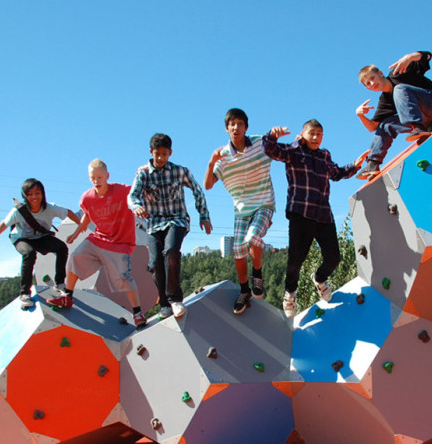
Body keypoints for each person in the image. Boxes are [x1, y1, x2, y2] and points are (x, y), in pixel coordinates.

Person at [262, 119, 367, 318]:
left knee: (334, 258)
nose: (316, 137)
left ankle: (319, 279)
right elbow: (271, 150)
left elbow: (336, 173)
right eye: (312, 133)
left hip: (323, 214)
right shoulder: (293, 151)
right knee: (296, 261)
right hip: (301, 212)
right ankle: (290, 294)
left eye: (319, 134)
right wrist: (272, 135)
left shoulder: (324, 155)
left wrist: (355, 165)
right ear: (303, 135)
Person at [48, 159, 147, 329]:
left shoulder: (121, 191)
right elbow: (87, 214)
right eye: (93, 178)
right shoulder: (87, 197)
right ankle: (68, 296)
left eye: (100, 178)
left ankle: (137, 312)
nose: (96, 181)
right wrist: (76, 232)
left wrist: (143, 170)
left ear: (107, 176)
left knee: (124, 278)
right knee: (76, 257)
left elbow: (138, 186)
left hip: (120, 242)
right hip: (99, 238)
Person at [128, 133, 212, 319]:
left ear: (170, 153)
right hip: (154, 223)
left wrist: (204, 216)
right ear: (151, 153)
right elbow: (132, 195)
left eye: (164, 154)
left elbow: (198, 191)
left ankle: (175, 299)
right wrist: (137, 206)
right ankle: (164, 305)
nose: (160, 158)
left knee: (171, 250)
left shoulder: (179, 171)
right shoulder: (143, 174)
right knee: (156, 261)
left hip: (177, 219)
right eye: (157, 154)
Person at [204, 108, 275, 315]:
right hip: (241, 209)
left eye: (240, 124)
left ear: (246, 127)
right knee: (237, 250)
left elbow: (280, 150)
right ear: (227, 129)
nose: (236, 127)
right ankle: (244, 291)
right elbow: (208, 184)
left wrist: (291, 139)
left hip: (264, 203)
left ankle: (258, 275)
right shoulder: (223, 157)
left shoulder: (260, 143)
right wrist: (211, 161)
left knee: (253, 238)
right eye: (232, 124)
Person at [355, 51, 432, 179]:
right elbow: (373, 127)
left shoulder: (399, 72)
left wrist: (411, 57)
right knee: (385, 124)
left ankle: (417, 127)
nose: (372, 83)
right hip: (427, 121)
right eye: (368, 83)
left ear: (380, 73)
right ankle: (373, 163)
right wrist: (360, 115)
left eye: (372, 78)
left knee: (399, 89)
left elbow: (427, 57)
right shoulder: (384, 101)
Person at [0, 178, 80, 309]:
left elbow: (69, 213)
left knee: (61, 248)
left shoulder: (50, 208)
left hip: (41, 237)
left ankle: (60, 283)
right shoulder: (19, 211)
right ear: (25, 196)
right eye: (30, 194)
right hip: (21, 238)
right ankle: (25, 293)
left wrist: (81, 226)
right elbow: (4, 223)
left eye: (37, 193)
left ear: (42, 193)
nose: (34, 197)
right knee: (29, 254)